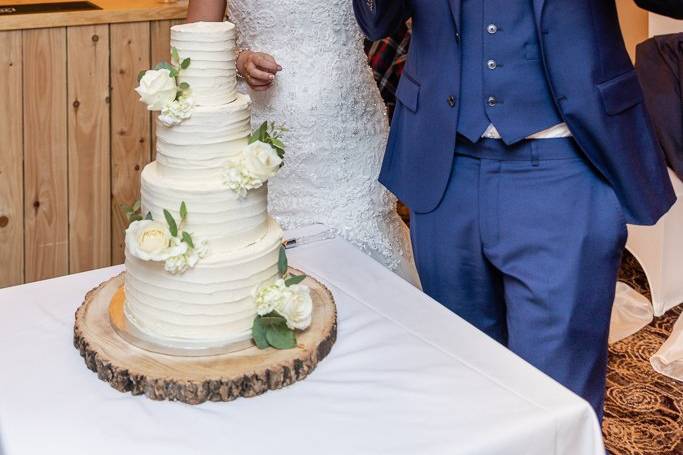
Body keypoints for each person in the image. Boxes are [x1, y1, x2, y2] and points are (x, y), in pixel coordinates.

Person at [353, 0, 681, 421]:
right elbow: (377, 19)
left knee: (555, 395)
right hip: (444, 164)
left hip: (564, 164)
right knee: (464, 375)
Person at [186, 0, 419, 285]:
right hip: (263, 141)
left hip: (350, 133)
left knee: (363, 245)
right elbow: (194, 43)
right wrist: (240, 61)